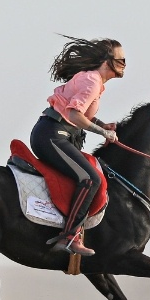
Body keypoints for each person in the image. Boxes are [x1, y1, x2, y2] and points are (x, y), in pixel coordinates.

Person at [30, 36, 125, 256]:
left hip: (56, 133)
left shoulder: (95, 82)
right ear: (107, 61)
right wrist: (103, 132)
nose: (124, 65)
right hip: (52, 135)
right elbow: (73, 114)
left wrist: (102, 123)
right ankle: (69, 237)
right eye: (121, 60)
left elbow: (76, 113)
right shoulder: (92, 81)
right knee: (91, 179)